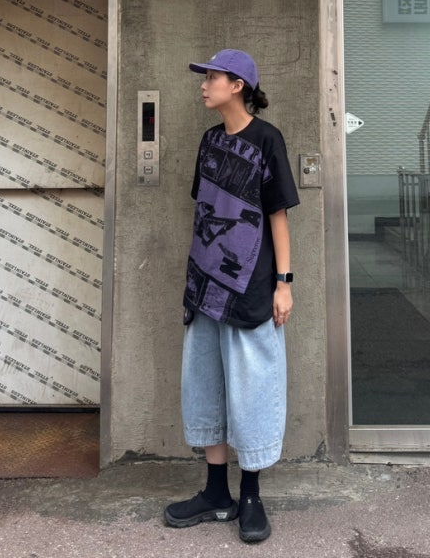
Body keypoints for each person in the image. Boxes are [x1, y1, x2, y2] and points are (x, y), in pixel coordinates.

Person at [164, 48, 299, 544]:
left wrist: (284, 283)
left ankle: (251, 496)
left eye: (212, 78)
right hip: (205, 286)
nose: (204, 86)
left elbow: (277, 215)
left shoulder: (267, 139)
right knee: (205, 385)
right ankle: (216, 492)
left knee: (252, 390)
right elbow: (205, 208)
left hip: (250, 289)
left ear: (238, 85)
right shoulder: (209, 140)